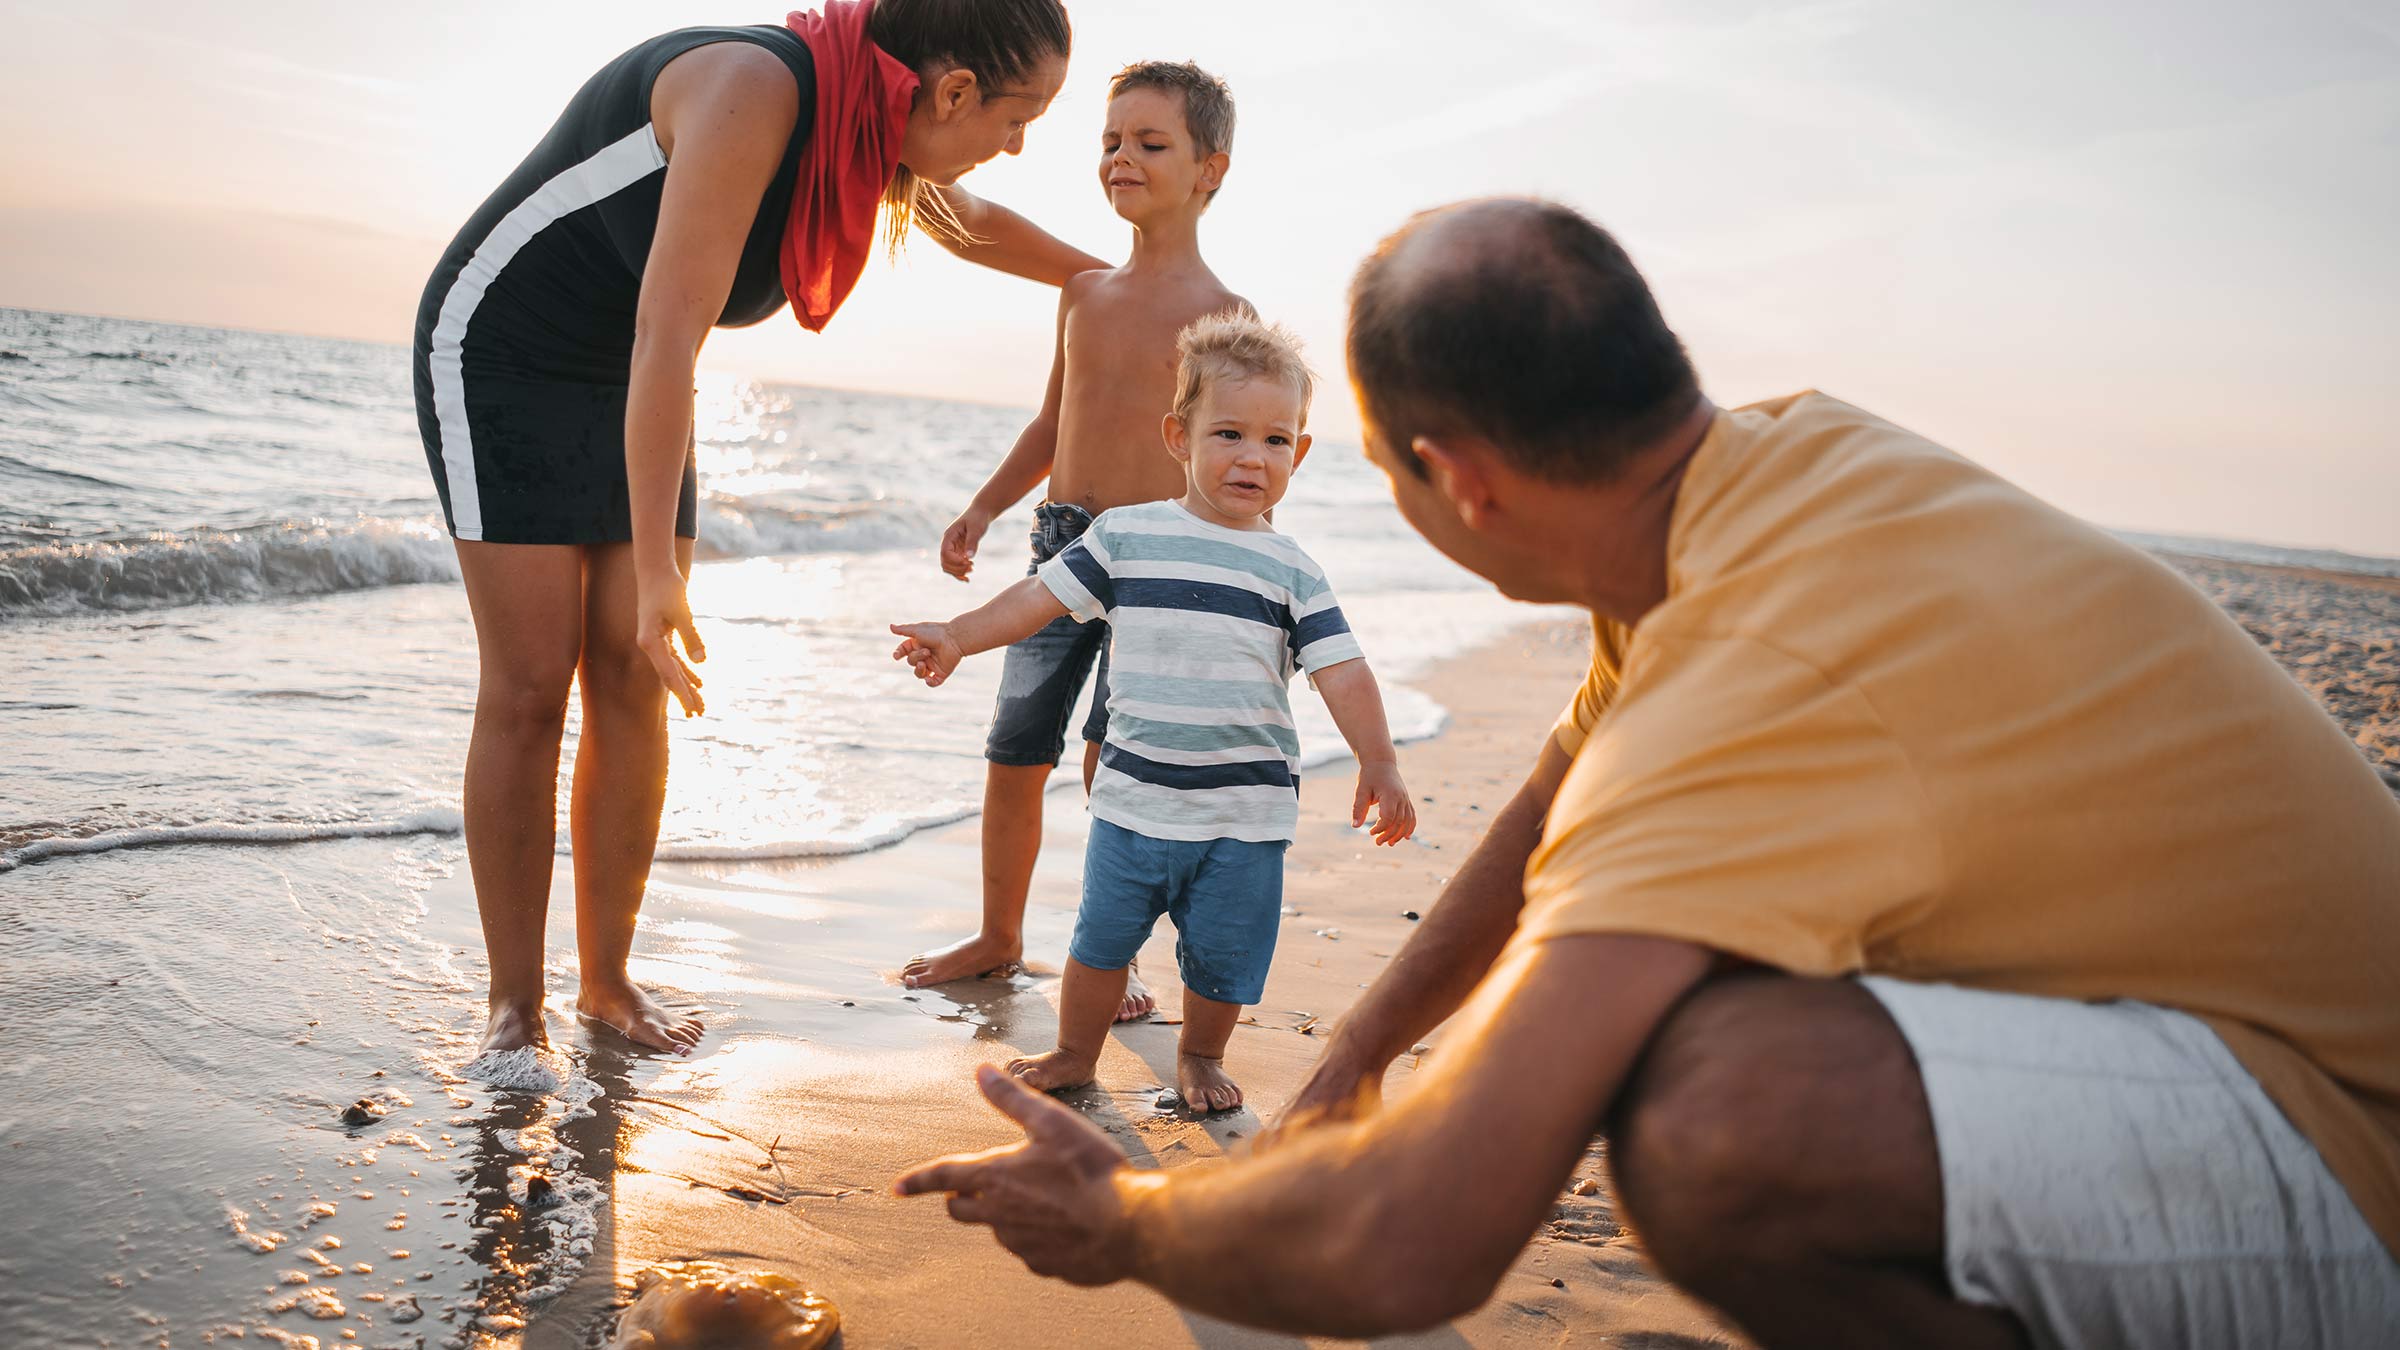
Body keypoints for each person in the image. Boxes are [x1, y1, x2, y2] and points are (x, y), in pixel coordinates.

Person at [895, 199, 2400, 1348]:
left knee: (1718, 1117)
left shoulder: (1755, 668)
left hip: (2353, 1156)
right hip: (2240, 1023)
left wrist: (1130, 1222)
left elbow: (1423, 1238)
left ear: (1460, 480)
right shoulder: (1785, 470)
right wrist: (1355, 1057)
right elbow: (1563, 790)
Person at [412, 0, 1105, 1057]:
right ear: (954, 89)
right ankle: (514, 1008)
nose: (1016, 147)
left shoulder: (869, 122)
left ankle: (605, 984)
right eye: (1022, 118)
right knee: (530, 683)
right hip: (509, 349)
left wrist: (1109, 279)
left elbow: (963, 221)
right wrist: (654, 576)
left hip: (634, 371)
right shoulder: (754, 90)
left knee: (634, 674)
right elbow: (668, 332)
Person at [889, 314, 1416, 1112]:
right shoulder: (1126, 537)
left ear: (1300, 454)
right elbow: (1039, 598)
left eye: (1277, 441)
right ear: (1179, 436)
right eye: (1229, 433)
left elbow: (1341, 670)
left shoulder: (1293, 571)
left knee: (1223, 959)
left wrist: (1379, 760)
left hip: (1244, 813)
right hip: (1134, 806)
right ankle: (1074, 1051)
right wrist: (959, 635)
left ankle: (1200, 1053)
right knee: (1100, 946)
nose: (1252, 456)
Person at [900, 62, 1251, 1026]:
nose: (1120, 158)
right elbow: (1056, 421)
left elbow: (1240, 460)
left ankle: (1113, 955)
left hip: (1163, 560)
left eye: (1149, 143)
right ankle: (998, 935)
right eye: (1109, 141)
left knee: (1118, 764)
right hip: (1061, 547)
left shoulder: (1228, 322)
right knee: (1016, 747)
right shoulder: (1084, 294)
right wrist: (981, 508)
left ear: (1208, 168)